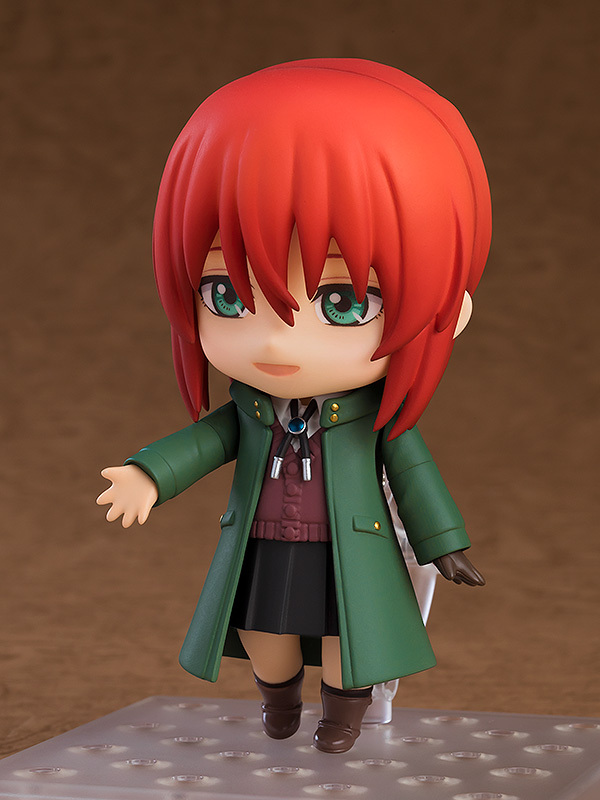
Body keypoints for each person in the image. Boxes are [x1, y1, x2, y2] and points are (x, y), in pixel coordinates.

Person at [97, 58, 490, 754]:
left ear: (447, 311)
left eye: (342, 302)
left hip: (353, 547)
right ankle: (278, 698)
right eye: (226, 294)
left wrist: (444, 544)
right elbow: (205, 441)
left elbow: (413, 470)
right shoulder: (250, 409)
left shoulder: (371, 418)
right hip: (264, 541)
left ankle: (342, 715)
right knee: (262, 633)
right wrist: (147, 474)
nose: (277, 339)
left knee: (349, 638)